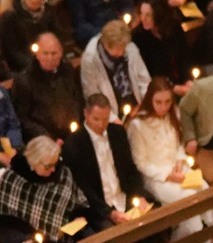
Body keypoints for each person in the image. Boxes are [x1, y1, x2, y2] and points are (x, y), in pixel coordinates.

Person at [127, 77, 213, 243]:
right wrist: (168, 175)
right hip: (155, 177)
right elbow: (140, 162)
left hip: (176, 168)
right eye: (158, 102)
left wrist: (180, 161)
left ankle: (206, 231)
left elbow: (178, 146)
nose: (163, 107)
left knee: (204, 188)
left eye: (167, 102)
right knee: (188, 197)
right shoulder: (138, 125)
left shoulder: (173, 113)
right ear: (150, 100)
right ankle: (185, 238)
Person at [62, 94, 153, 231]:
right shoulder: (74, 145)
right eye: (96, 119)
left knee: (151, 223)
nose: (101, 125)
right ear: (86, 114)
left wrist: (139, 195)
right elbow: (83, 189)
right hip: (98, 208)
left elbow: (130, 169)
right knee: (113, 235)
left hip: (124, 197)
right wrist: (109, 213)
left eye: (105, 119)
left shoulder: (117, 132)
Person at [11, 30, 82, 141]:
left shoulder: (68, 70)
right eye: (45, 53)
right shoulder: (25, 81)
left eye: (54, 53)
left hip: (70, 131)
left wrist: (75, 122)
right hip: (43, 137)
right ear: (37, 54)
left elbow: (76, 98)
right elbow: (23, 118)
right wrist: (46, 136)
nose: (50, 58)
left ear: (61, 53)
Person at [80, 19, 150, 117]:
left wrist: (143, 105)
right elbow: (92, 96)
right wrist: (112, 119)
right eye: (117, 51)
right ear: (105, 45)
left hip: (137, 106)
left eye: (123, 48)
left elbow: (144, 80)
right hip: (111, 114)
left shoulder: (129, 47)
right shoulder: (90, 60)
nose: (121, 53)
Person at [0, 0, 61, 72]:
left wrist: (55, 54)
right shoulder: (10, 17)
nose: (38, 6)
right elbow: (12, 50)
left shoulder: (47, 6)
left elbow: (56, 33)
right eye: (34, 3)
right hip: (24, 67)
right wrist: (37, 63)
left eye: (41, 2)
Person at [132, 0, 192, 94]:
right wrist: (172, 87)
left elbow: (185, 55)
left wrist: (188, 79)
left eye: (148, 15)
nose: (143, 18)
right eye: (142, 14)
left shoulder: (174, 28)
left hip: (181, 81)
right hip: (159, 88)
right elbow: (147, 72)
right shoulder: (138, 36)